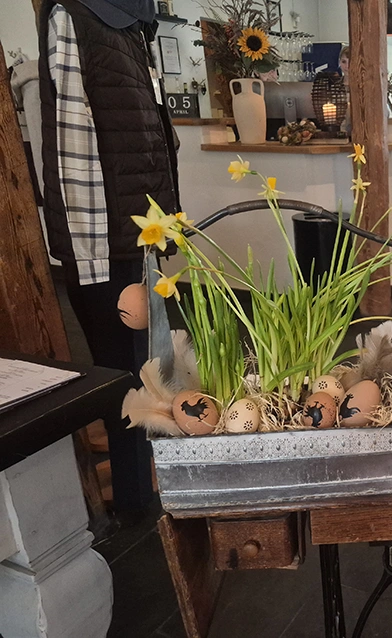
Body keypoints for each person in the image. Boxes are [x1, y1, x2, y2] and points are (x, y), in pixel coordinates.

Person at [38, 0, 181, 516]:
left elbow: (148, 137)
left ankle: (146, 480)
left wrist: (164, 226)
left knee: (142, 366)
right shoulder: (77, 16)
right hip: (107, 239)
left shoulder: (130, 21)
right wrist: (92, 257)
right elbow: (74, 148)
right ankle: (137, 496)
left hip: (135, 231)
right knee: (123, 373)